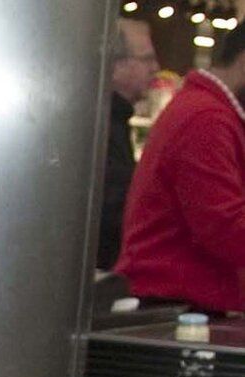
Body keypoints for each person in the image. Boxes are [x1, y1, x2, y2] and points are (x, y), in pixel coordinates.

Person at [116, 28, 245, 314]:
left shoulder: (209, 110)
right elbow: (226, 227)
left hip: (184, 303)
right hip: (178, 307)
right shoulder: (206, 119)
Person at [101, 17, 158, 270]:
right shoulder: (99, 122)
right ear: (116, 65)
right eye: (147, 59)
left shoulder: (114, 116)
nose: (156, 68)